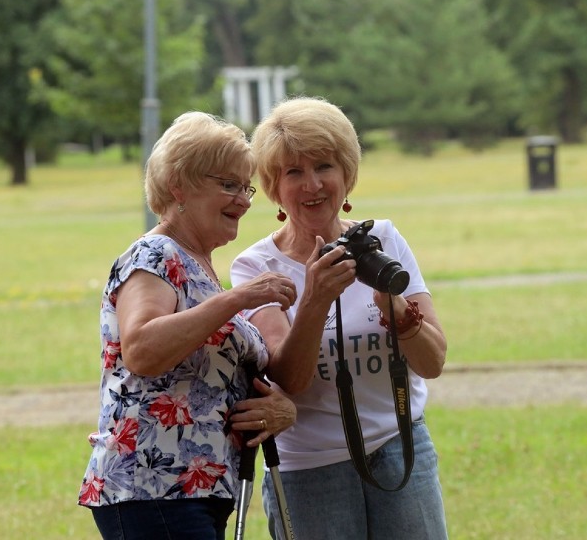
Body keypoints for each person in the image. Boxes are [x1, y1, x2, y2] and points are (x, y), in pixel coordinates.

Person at [230, 96, 449, 539]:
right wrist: (314, 299)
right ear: (273, 187)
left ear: (346, 174)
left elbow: (433, 363)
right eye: (294, 172)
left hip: (400, 446)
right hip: (310, 468)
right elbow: (290, 380)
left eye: (324, 166)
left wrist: (396, 308)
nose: (312, 185)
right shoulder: (255, 267)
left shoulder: (383, 240)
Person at [78, 111, 299, 540]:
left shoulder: (198, 266)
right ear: (179, 185)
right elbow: (142, 349)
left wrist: (281, 408)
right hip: (153, 488)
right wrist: (240, 297)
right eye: (227, 185)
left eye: (245, 186)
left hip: (190, 490)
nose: (244, 199)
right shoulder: (156, 255)